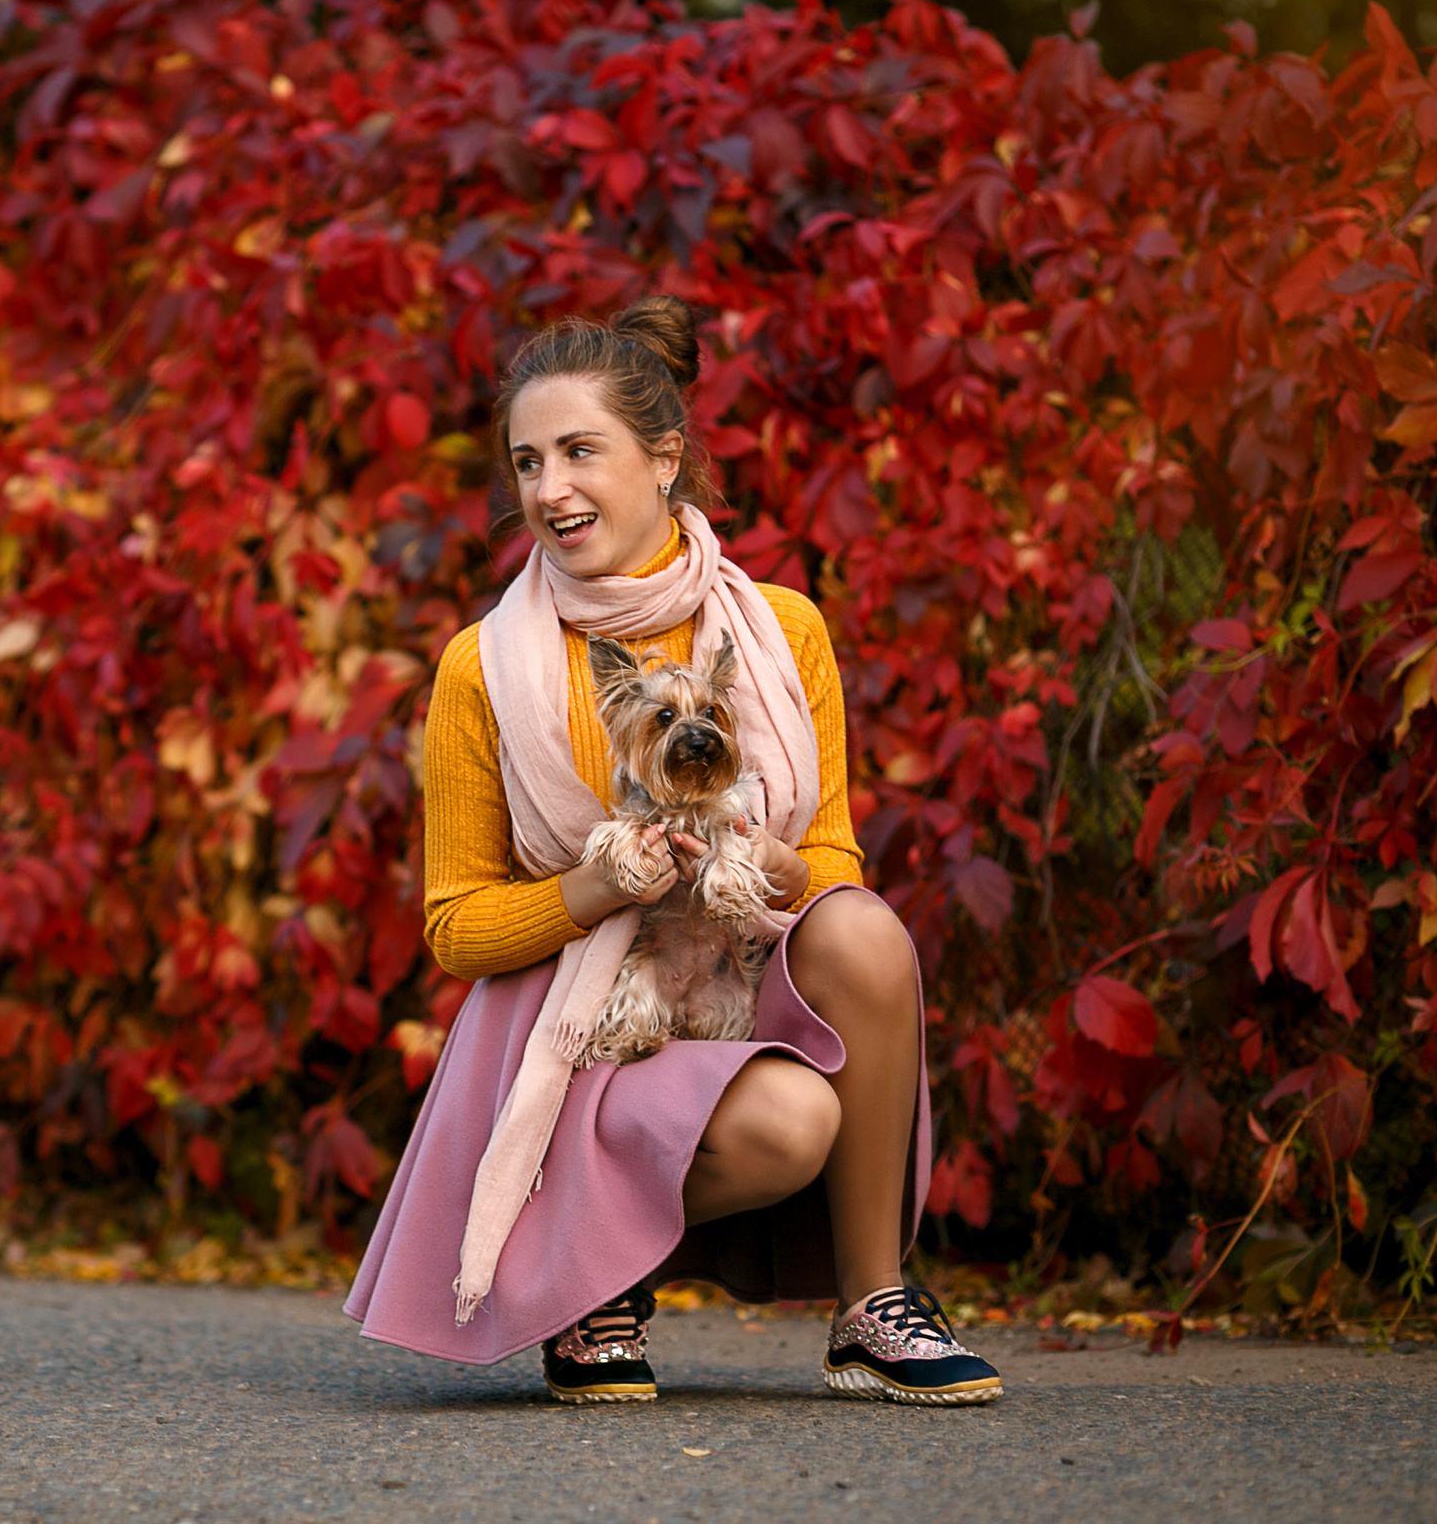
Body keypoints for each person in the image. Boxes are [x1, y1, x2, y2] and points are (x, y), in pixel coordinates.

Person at [344, 298, 1001, 1406]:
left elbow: (829, 855)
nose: (548, 488)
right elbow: (456, 926)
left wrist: (767, 865)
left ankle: (873, 1305)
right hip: (569, 1028)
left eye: (579, 451)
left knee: (864, 935)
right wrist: (593, 886)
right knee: (789, 1123)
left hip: (729, 976)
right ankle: (574, 1270)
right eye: (527, 461)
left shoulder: (781, 629)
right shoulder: (483, 666)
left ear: (664, 458)